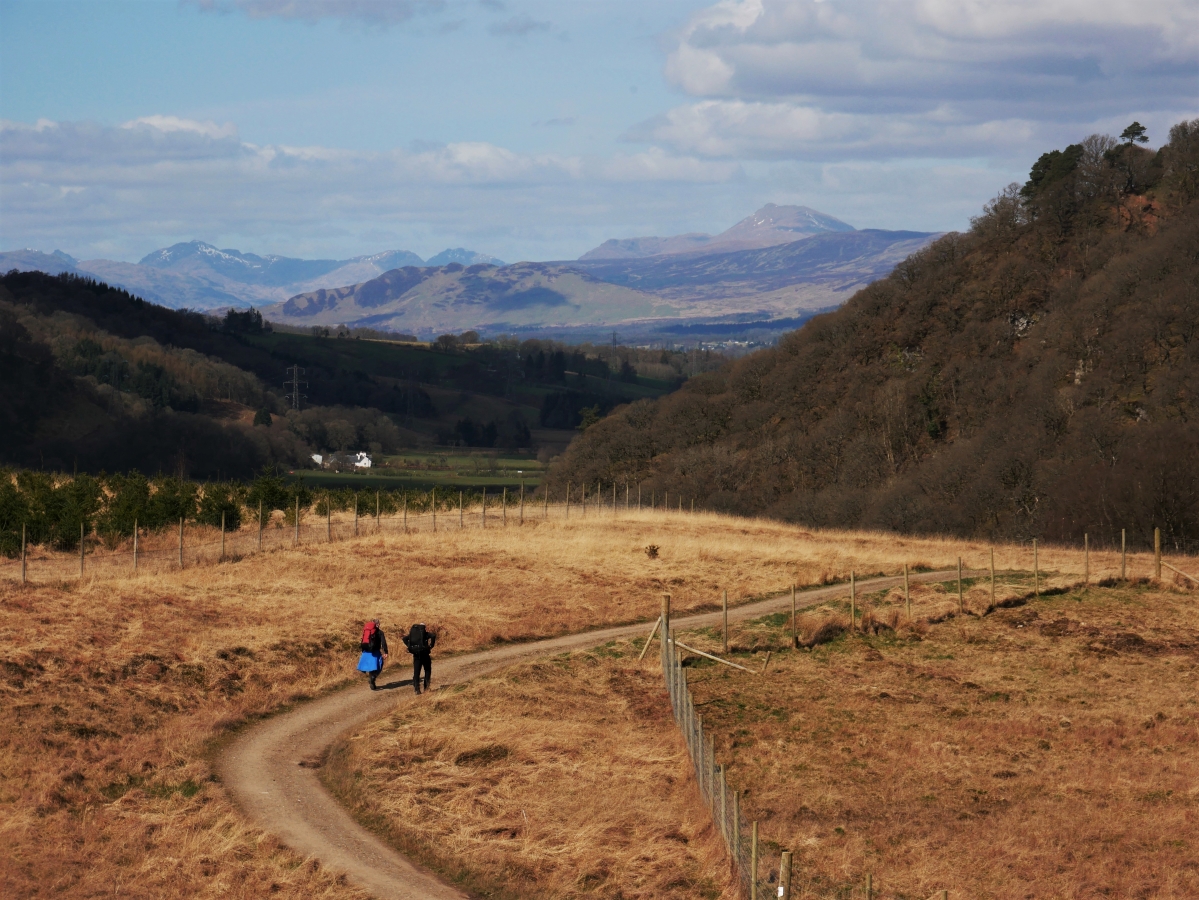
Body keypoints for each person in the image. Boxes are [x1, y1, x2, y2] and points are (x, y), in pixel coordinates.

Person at [403, 623, 437, 695]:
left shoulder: (414, 635)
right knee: (427, 670)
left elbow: (404, 638)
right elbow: (433, 636)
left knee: (416, 672)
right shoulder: (426, 634)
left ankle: (417, 689)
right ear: (424, 628)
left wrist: (409, 646)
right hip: (425, 655)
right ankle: (426, 688)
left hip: (416, 655)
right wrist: (431, 646)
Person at [356, 617, 389, 690]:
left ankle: (372, 680)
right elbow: (383, 643)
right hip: (375, 651)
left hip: (366, 651)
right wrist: (385, 652)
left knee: (371, 667)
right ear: (378, 624)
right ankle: (372, 678)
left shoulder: (367, 631)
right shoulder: (380, 632)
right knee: (378, 665)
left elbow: (364, 640)